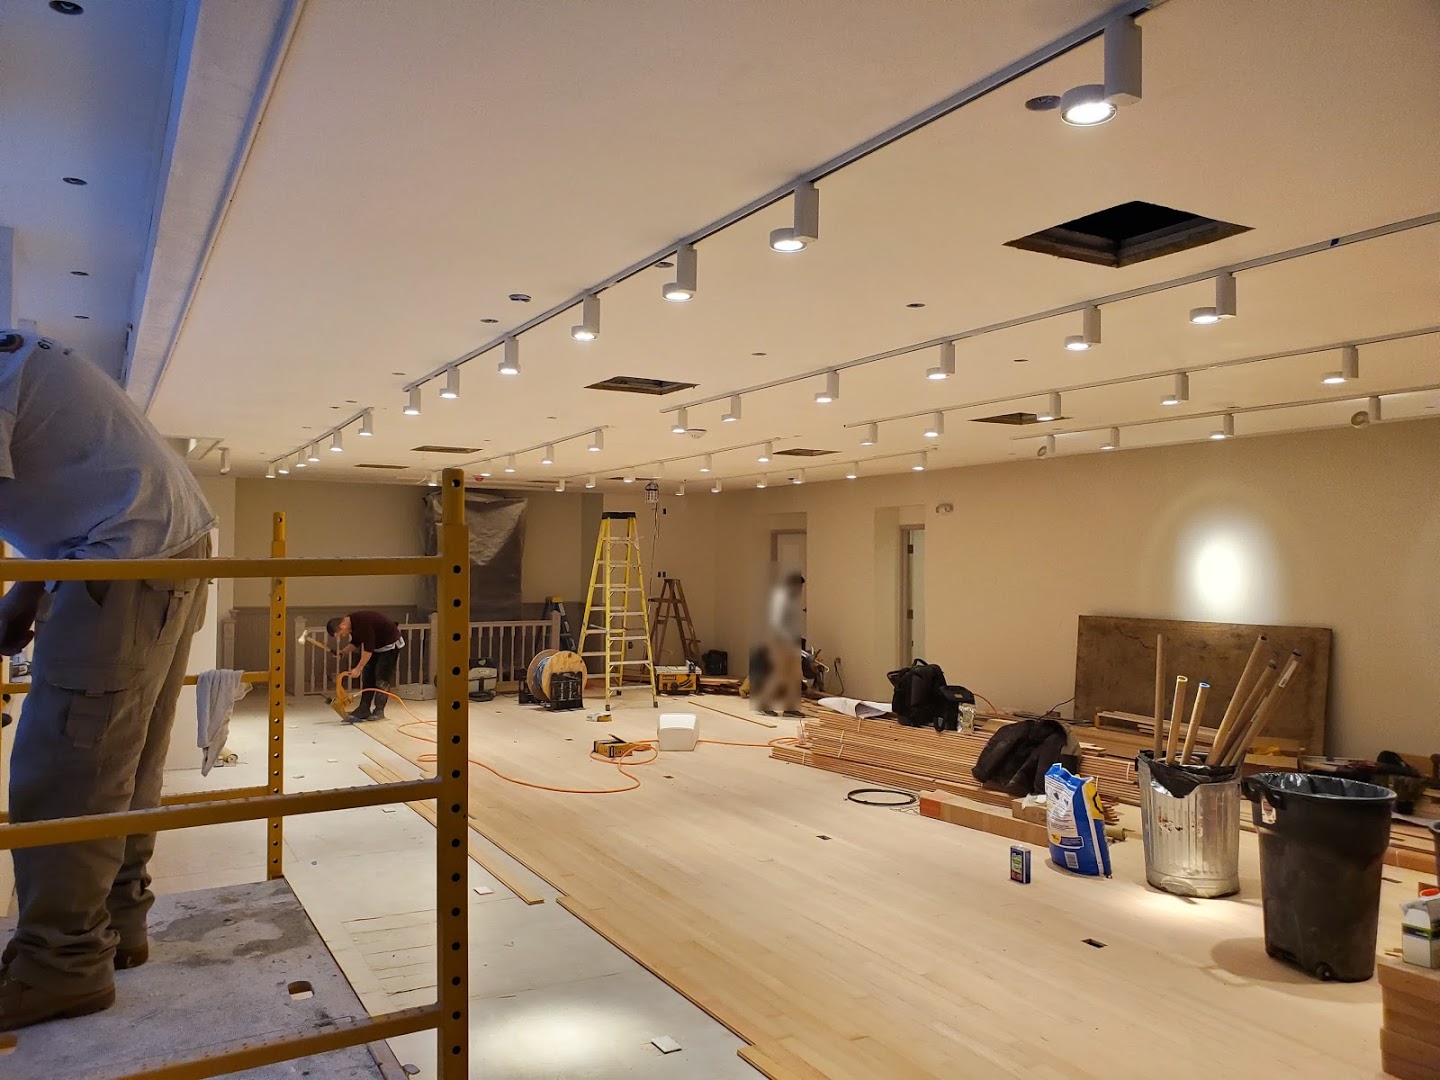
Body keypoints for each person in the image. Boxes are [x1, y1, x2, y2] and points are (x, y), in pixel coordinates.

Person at [0, 331, 214, 1031]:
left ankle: (61, 964)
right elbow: (77, 479)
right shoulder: (16, 353)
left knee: (68, 765)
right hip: (162, 544)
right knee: (127, 755)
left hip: (123, 552)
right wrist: (28, 590)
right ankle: (118, 922)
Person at [326, 610, 404, 721]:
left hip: (389, 647)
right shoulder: (352, 623)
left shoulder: (363, 624)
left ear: (342, 626)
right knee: (368, 678)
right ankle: (364, 708)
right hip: (376, 647)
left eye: (341, 634)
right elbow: (356, 641)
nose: (343, 636)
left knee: (382, 680)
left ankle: (379, 710)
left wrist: (358, 669)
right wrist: (344, 652)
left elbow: (368, 649)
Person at [756, 571, 806, 718]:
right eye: (799, 587)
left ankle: (790, 707)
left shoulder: (791, 601)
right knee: (779, 674)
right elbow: (777, 624)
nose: (800, 590)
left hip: (789, 642)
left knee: (793, 676)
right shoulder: (781, 601)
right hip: (779, 642)